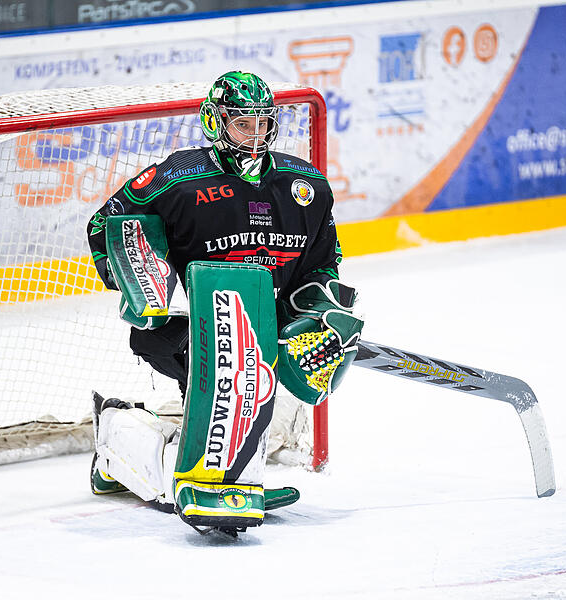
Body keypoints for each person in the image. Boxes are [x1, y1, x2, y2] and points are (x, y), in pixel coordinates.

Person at [86, 71, 363, 525]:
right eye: (243, 124)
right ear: (216, 122)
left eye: (262, 124)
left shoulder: (306, 187)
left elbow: (322, 262)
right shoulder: (178, 177)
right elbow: (108, 225)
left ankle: (117, 435)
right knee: (229, 438)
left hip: (262, 331)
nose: (255, 136)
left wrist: (319, 312)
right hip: (182, 326)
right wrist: (139, 281)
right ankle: (133, 442)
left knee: (236, 437)